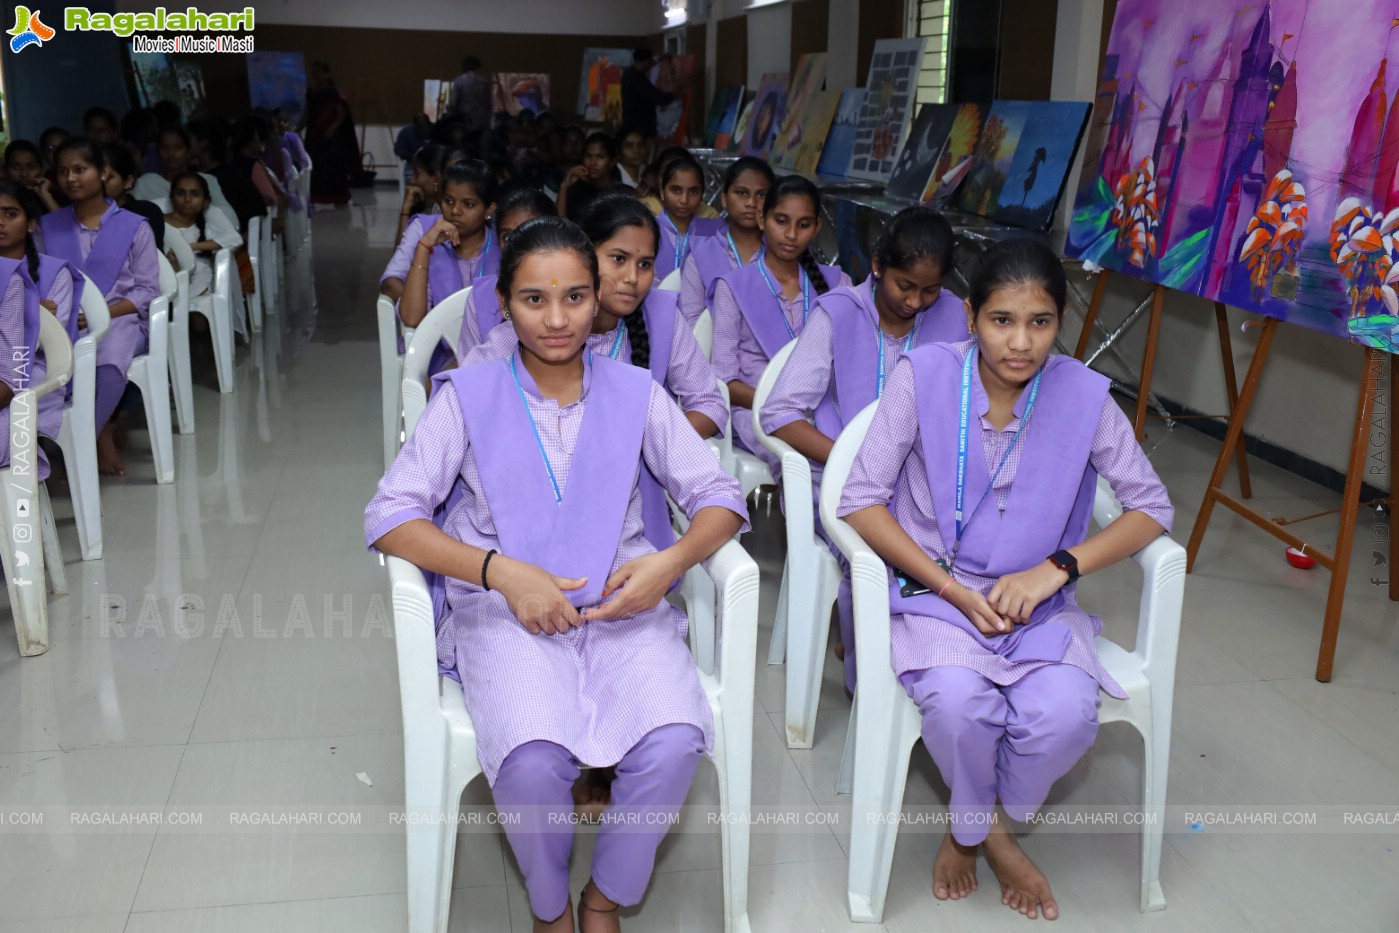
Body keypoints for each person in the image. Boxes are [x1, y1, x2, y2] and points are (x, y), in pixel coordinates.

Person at [365, 215, 746, 933]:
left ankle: (603, 897)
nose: (556, 317)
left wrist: (668, 563)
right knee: (534, 759)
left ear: (596, 294)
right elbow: (389, 515)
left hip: (621, 609)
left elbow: (719, 499)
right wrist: (497, 570)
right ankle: (549, 908)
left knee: (672, 741)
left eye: (574, 296)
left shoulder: (635, 392)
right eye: (534, 299)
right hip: (504, 615)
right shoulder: (469, 394)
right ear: (503, 301)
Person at [837, 238, 1173, 921]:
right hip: (936, 595)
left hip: (1036, 607)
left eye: (1040, 321)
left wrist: (1057, 568)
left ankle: (983, 823)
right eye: (1001, 320)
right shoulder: (923, 374)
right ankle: (982, 835)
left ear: (1059, 321)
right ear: (969, 315)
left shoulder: (1080, 394)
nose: (1020, 343)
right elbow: (859, 499)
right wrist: (951, 587)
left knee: (1064, 716)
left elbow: (1152, 507)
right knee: (959, 707)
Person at [758, 207, 965, 691]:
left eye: (929, 289)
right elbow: (779, 414)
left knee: (966, 550)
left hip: (923, 481)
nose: (916, 301)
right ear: (876, 265)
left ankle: (933, 659)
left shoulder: (956, 315)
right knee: (877, 561)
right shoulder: (838, 313)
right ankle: (875, 673)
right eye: (904, 285)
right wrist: (850, 457)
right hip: (840, 477)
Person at [37, 138, 160, 477]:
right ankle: (75, 435)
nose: (71, 179)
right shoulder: (49, 226)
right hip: (64, 319)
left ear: (103, 172)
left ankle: (86, 437)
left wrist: (100, 316)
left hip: (121, 318)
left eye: (80, 169)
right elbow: (38, 276)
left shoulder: (134, 226)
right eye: (63, 172)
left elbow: (148, 289)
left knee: (106, 362)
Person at [711, 175, 849, 472]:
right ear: (762, 219)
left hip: (825, 408)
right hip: (756, 411)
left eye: (803, 225)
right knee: (807, 465)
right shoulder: (733, 287)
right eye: (781, 220)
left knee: (860, 459)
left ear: (817, 228)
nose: (791, 234)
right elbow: (723, 381)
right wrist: (779, 404)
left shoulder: (838, 283)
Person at [0, 180, 82, 481]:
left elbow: (46, 341)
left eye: (10, 214)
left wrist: (26, 315)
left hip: (34, 366)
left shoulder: (53, 271)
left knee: (16, 404)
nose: (1, 222)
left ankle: (19, 495)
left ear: (31, 224)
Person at [390, 159, 500, 339]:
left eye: (468, 204)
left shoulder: (501, 249)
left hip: (494, 356)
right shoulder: (433, 251)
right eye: (448, 201)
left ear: (489, 209)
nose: (455, 211)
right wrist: (423, 248)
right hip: (440, 356)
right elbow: (411, 318)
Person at [455, 186, 557, 359]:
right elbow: (469, 368)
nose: (516, 245)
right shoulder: (481, 296)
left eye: (529, 234)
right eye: (507, 237)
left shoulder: (573, 290)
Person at [678, 156, 773, 326]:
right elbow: (692, 321)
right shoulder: (701, 255)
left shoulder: (781, 252)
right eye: (741, 193)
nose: (751, 203)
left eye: (762, 195)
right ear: (724, 199)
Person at [163, 171, 243, 299]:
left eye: (195, 194)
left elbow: (235, 239)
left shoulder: (205, 231)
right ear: (172, 198)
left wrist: (189, 247)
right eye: (180, 193)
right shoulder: (158, 223)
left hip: (196, 286)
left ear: (205, 202)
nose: (187, 199)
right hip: (162, 283)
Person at [133, 125, 236, 224]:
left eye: (178, 147)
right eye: (165, 148)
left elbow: (229, 219)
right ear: (158, 151)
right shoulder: (146, 183)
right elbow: (132, 221)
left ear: (188, 150)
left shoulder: (207, 180)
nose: (171, 153)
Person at [654, 156, 723, 282]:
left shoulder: (714, 232)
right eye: (676, 190)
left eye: (693, 192)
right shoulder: (647, 228)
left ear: (702, 195)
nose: (684, 200)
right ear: (662, 192)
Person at [304, 61, 359, 205]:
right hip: (314, 136)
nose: (315, 75)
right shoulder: (312, 91)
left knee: (334, 168)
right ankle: (316, 197)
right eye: (313, 72)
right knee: (316, 168)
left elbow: (341, 113)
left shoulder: (334, 92)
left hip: (332, 139)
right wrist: (297, 129)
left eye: (318, 72)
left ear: (326, 73)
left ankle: (338, 198)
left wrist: (332, 128)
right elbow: (308, 113)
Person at [100, 144, 165, 251]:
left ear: (128, 182)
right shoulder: (81, 212)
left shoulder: (147, 211)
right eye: (97, 176)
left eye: (109, 177)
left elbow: (153, 258)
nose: (101, 181)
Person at [556, 131, 622, 222]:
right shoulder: (576, 189)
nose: (592, 163)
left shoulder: (621, 193)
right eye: (588, 156)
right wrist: (564, 186)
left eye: (600, 157)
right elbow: (559, 223)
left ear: (613, 161)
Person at [621, 48, 673, 144]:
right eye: (650, 61)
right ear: (646, 62)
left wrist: (659, 59)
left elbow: (649, 63)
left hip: (630, 124)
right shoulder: (639, 81)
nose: (651, 64)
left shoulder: (628, 72)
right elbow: (661, 99)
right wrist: (678, 88)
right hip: (641, 129)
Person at [6, 141, 61, 213]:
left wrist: (45, 196)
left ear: (41, 169)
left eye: (31, 167)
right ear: (5, 169)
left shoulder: (54, 197)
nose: (24, 174)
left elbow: (65, 223)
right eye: (16, 167)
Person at [447, 55, 492, 134]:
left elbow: (453, 104)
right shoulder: (484, 82)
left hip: (464, 122)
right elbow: (488, 105)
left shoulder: (459, 81)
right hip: (482, 124)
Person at [393, 114, 434, 187]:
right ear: (415, 126)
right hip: (411, 162)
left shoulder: (435, 130)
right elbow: (399, 151)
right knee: (410, 184)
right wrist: (413, 157)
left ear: (429, 124)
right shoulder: (405, 132)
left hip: (432, 163)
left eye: (425, 126)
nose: (423, 129)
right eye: (420, 127)